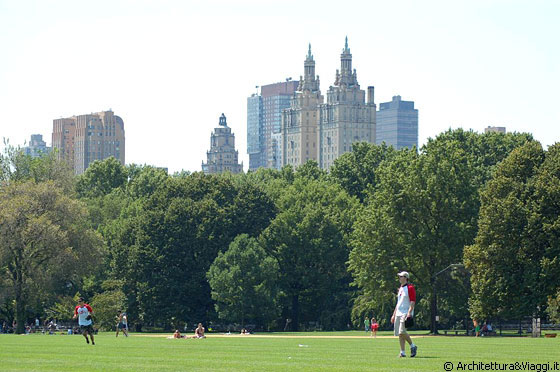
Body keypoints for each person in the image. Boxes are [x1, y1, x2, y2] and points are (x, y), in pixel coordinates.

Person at [391, 271, 417, 358]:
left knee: (402, 331)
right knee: (399, 333)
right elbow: (398, 303)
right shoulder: (400, 288)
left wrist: (409, 312)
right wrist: (394, 314)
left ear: (406, 278)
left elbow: (413, 301)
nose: (399, 278)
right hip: (398, 312)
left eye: (401, 276)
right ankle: (402, 352)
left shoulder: (410, 288)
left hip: (406, 312)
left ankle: (413, 345)